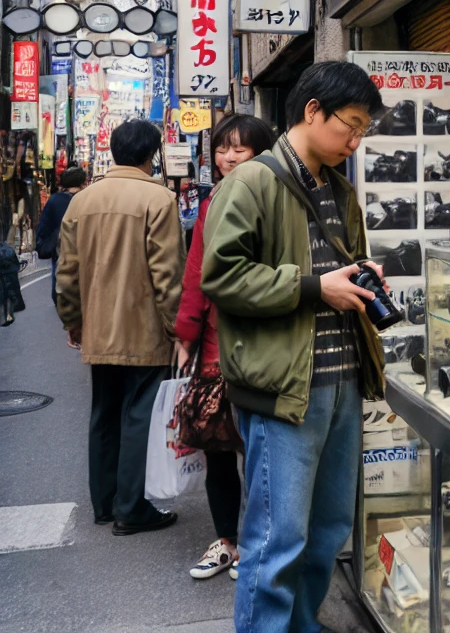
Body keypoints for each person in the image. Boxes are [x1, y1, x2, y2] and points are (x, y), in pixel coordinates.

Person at [203, 62, 387, 633]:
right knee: (274, 536)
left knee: (328, 530)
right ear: (312, 111)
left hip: (341, 381)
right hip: (285, 389)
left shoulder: (339, 188)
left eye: (363, 130)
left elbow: (336, 270)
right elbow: (222, 277)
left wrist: (358, 274)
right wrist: (314, 288)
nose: (355, 141)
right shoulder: (250, 183)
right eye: (350, 126)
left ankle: (302, 624)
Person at [57, 119, 185, 534]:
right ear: (152, 154)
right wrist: (178, 328)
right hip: (144, 328)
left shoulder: (81, 201)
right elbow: (167, 276)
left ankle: (105, 503)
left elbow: (67, 273)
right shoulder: (159, 199)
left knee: (104, 413)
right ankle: (132, 508)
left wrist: (73, 321)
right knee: (138, 415)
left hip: (98, 326)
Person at [175, 114, 276, 580]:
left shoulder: (275, 194)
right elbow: (196, 272)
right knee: (217, 446)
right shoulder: (212, 199)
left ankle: (257, 544)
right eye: (222, 148)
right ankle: (227, 542)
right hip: (217, 343)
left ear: (262, 150)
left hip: (265, 341)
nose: (229, 157)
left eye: (240, 148)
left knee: (259, 448)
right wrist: (187, 334)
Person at [37, 166, 87, 305]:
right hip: (84, 249)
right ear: (83, 182)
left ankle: (61, 301)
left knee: (58, 279)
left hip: (61, 249)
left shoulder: (54, 200)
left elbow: (44, 226)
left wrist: (43, 243)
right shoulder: (88, 199)